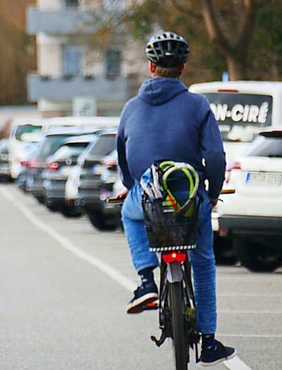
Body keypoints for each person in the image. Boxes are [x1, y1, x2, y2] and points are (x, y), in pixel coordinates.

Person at [115, 32, 236, 366]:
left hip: (147, 193)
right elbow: (214, 155)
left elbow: (123, 157)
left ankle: (145, 281)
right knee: (203, 262)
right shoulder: (197, 105)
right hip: (189, 197)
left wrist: (132, 185)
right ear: (183, 68)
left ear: (151, 66)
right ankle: (209, 340)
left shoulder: (131, 108)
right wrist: (211, 193)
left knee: (130, 214)